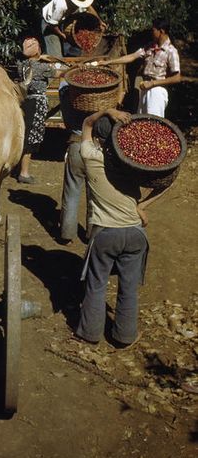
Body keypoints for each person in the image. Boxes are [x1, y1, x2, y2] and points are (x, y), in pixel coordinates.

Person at [75, 108, 150, 347]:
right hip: (136, 234)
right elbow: (167, 180)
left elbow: (87, 123)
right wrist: (141, 206)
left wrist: (107, 110)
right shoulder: (134, 159)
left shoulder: (91, 156)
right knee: (128, 287)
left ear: (98, 139)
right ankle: (124, 336)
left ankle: (89, 334)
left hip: (106, 234)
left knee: (97, 284)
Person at [96, 17, 181, 117]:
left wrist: (153, 83)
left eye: (153, 30)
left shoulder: (171, 51)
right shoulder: (150, 47)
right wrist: (108, 62)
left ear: (161, 31)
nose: (151, 33)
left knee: (152, 124)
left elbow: (177, 78)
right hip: (145, 89)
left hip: (157, 91)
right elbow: (132, 56)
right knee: (141, 122)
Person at [17, 37, 56, 183]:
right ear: (38, 50)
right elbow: (59, 73)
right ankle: (24, 173)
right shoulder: (42, 68)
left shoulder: (22, 65)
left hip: (26, 101)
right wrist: (47, 60)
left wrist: (39, 58)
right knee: (32, 137)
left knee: (26, 133)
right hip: (37, 103)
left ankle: (21, 169)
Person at [58, 80, 89, 244]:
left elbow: (63, 83)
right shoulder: (95, 101)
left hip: (75, 144)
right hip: (94, 147)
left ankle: (67, 234)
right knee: (95, 195)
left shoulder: (66, 96)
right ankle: (93, 233)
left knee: (71, 191)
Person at [41, 0, 107, 58]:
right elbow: (52, 25)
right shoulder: (62, 6)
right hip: (50, 25)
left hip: (63, 21)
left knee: (70, 53)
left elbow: (88, 7)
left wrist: (99, 21)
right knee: (56, 57)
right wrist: (62, 35)